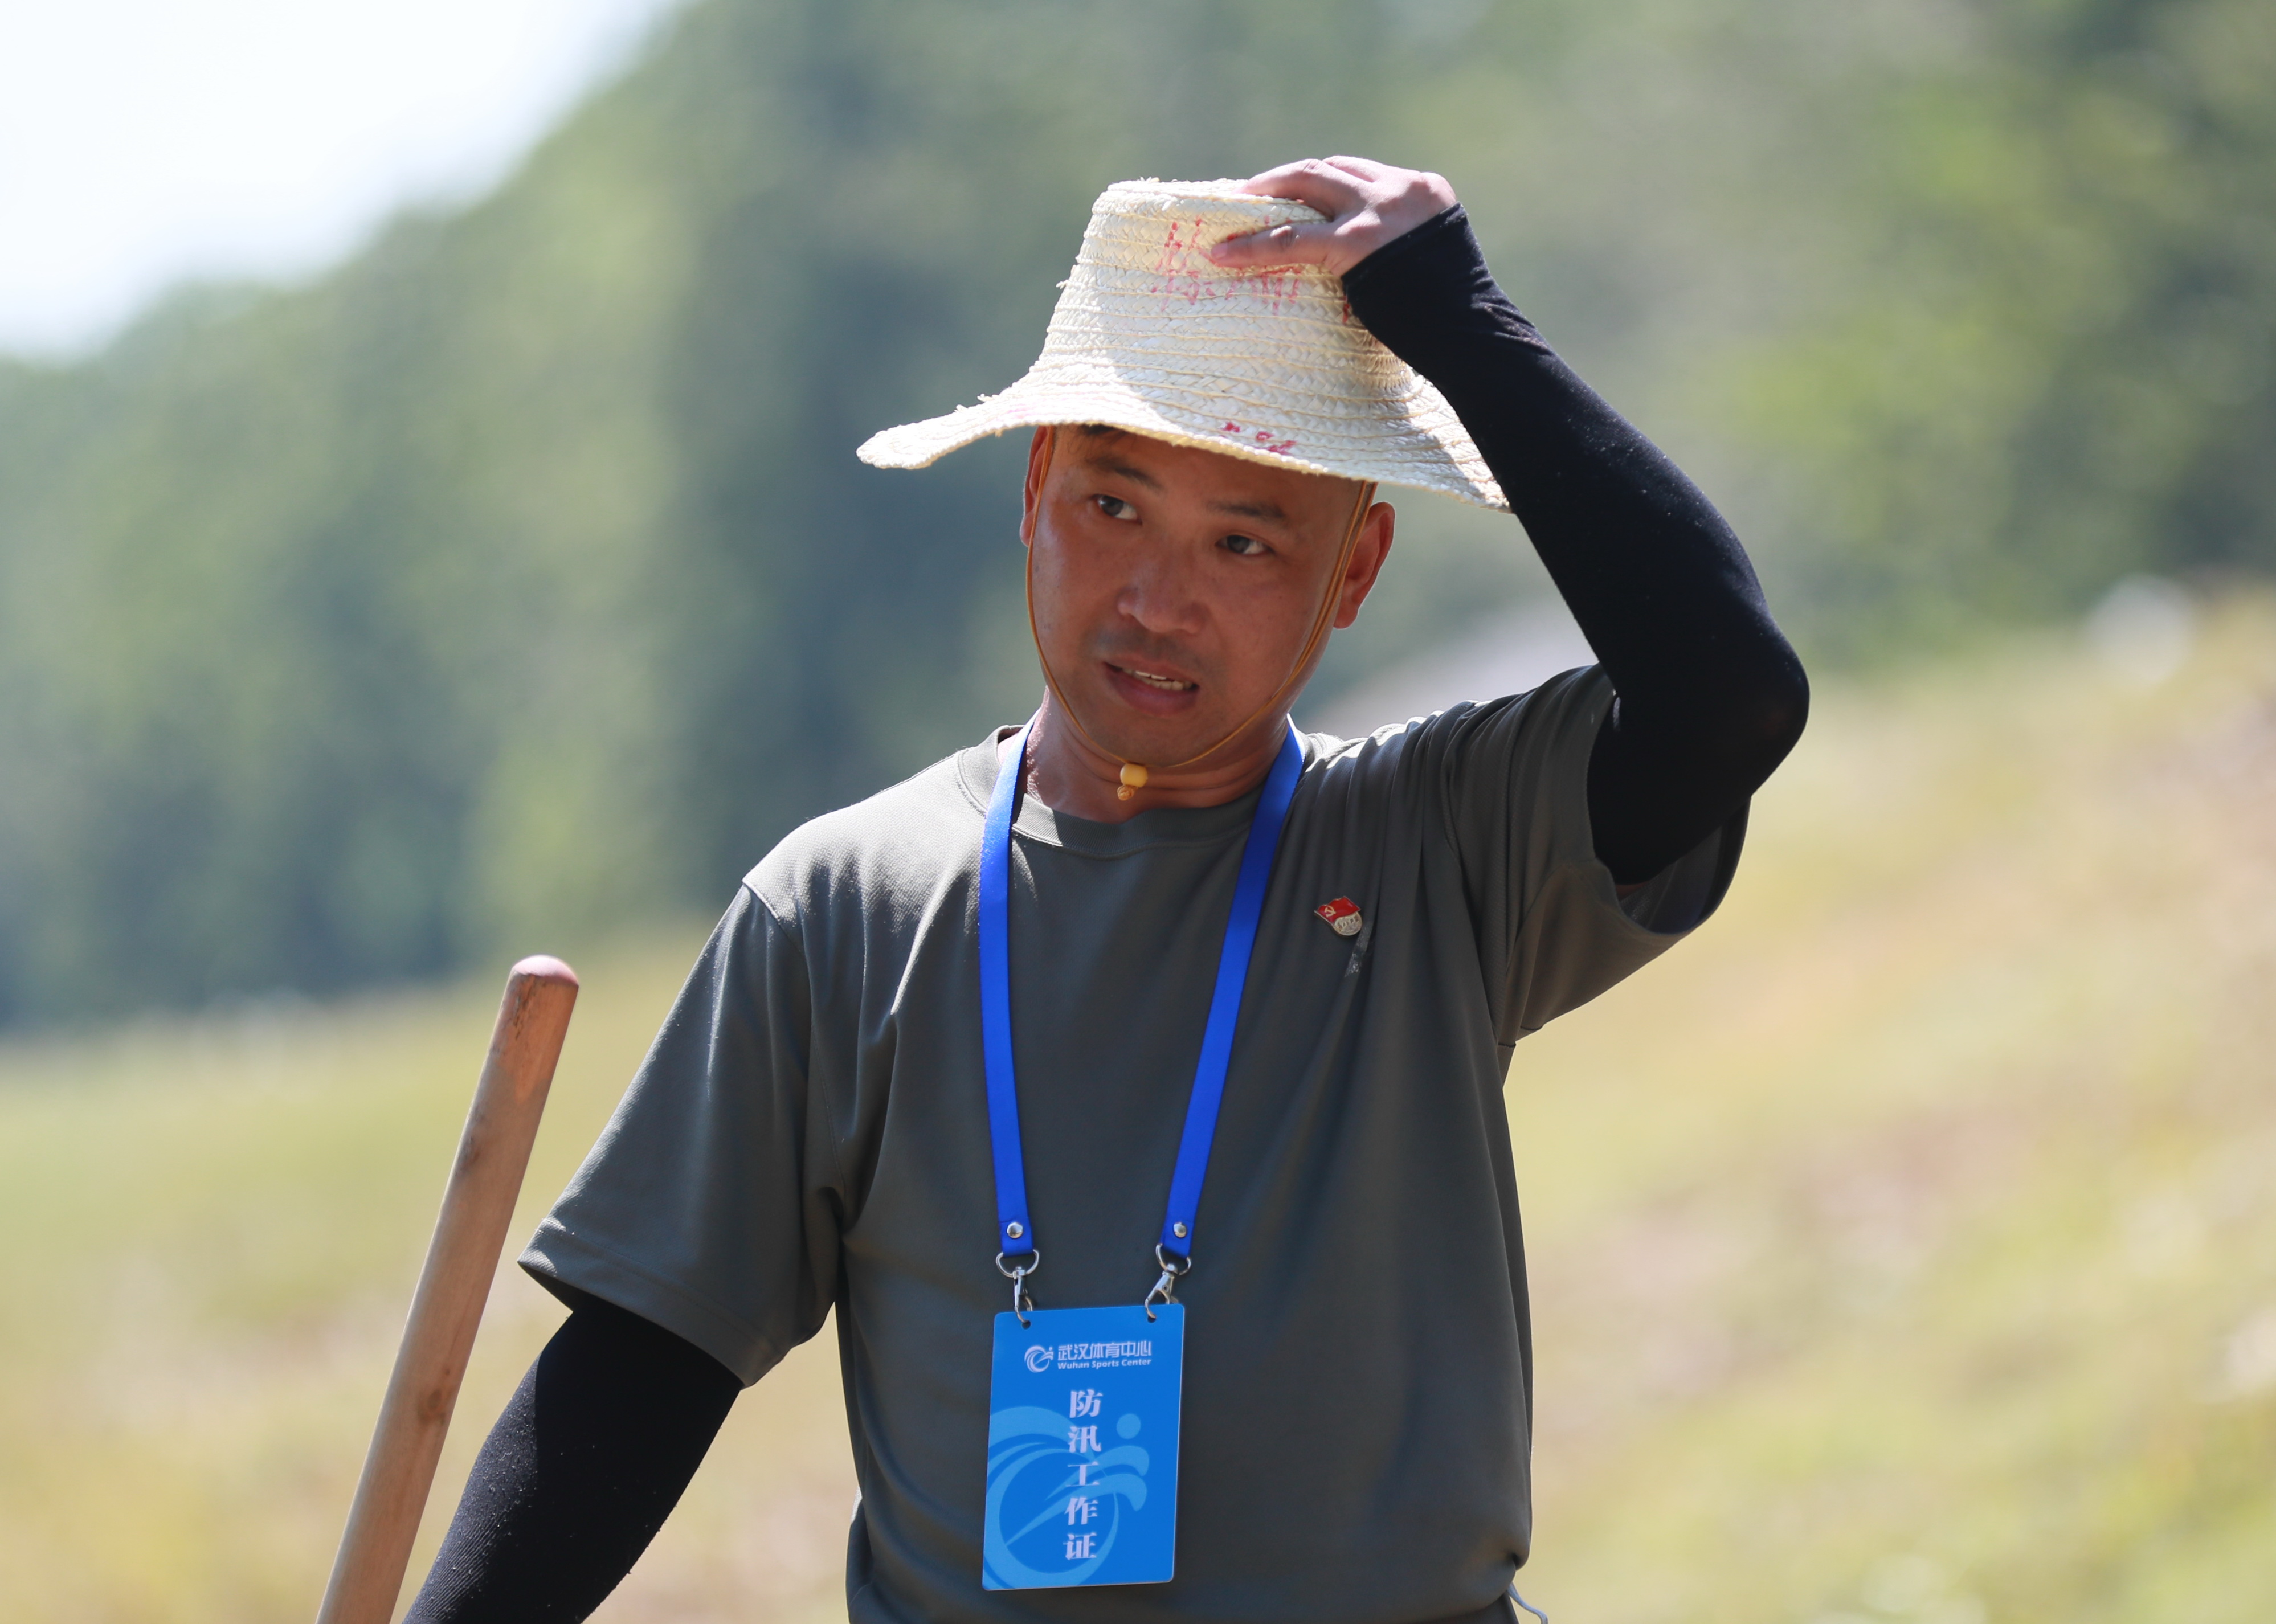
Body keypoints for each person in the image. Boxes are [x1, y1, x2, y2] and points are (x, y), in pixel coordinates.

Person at [405, 157, 1808, 1624]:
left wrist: (1461, 323)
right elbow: (646, 1363)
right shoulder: (846, 906)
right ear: (1035, 493)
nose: (1154, 599)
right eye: (1113, 506)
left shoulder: (1440, 839)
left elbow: (1726, 694)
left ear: (1356, 568)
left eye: (1246, 540)